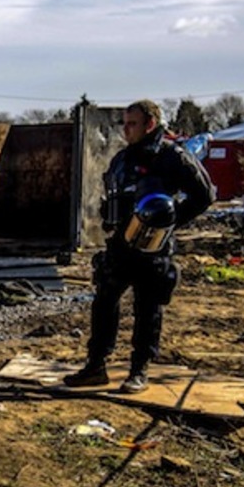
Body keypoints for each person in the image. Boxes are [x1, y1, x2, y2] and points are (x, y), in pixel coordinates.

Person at [64, 99, 215, 393]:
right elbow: (112, 195)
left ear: (150, 124)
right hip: (121, 244)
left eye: (132, 124)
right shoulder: (122, 158)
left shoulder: (173, 156)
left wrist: (170, 221)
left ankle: (139, 371)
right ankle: (96, 365)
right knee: (104, 302)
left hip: (153, 248)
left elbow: (204, 195)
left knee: (148, 308)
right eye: (124, 123)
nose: (126, 129)